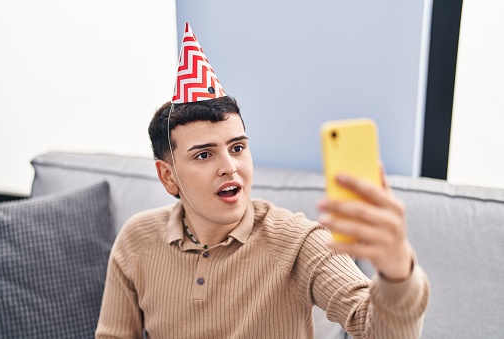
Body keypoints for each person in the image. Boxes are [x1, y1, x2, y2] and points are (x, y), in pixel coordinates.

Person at [96, 23, 429, 339]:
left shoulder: (300, 242)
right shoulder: (136, 241)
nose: (230, 167)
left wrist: (398, 272)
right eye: (204, 155)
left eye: (237, 147)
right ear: (168, 177)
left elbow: (376, 329)